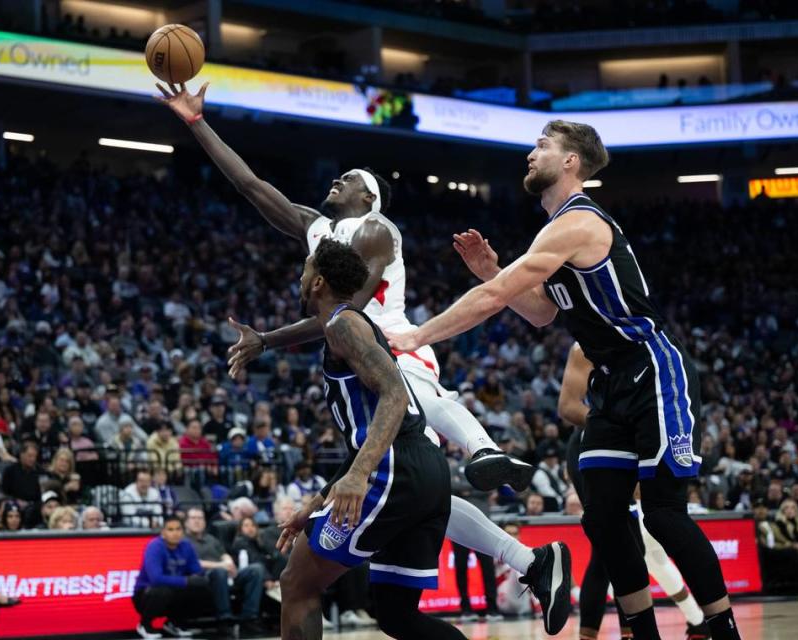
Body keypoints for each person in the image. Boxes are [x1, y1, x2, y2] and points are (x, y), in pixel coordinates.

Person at [156, 80, 570, 632]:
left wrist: (272, 339)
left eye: (348, 177)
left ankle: (484, 449)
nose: (337, 178)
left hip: (398, 344)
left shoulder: (375, 231)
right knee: (407, 566)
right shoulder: (320, 230)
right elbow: (252, 186)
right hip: (383, 394)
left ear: (368, 196)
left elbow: (349, 315)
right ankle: (526, 555)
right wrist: (195, 123)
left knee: (316, 563)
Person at [391, 120, 737, 639]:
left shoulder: (578, 222)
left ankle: (721, 626)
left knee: (663, 515)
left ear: (571, 161)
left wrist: (418, 335)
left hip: (653, 369)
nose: (531, 154)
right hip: (611, 383)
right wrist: (493, 271)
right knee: (601, 516)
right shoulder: (554, 230)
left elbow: (495, 300)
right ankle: (642, 631)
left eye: (542, 146)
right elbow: (541, 313)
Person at [263, 239, 462, 640]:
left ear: (318, 281)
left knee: (297, 583)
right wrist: (319, 502)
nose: (299, 280)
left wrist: (359, 476)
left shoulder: (342, 323)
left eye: (304, 271)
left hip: (394, 468)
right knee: (397, 617)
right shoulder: (346, 325)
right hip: (423, 469)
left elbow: (395, 394)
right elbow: (365, 440)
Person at [560, 341, 711, 639]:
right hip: (595, 445)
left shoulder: (651, 344)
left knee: (634, 547)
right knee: (613, 546)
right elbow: (567, 406)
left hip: (633, 445)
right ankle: (614, 632)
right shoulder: (585, 345)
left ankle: (660, 626)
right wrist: (615, 431)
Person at [183, 507, 264, 633]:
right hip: (203, 577)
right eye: (193, 518)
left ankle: (249, 618)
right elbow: (192, 563)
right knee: (219, 573)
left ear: (204, 522)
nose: (197, 521)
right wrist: (221, 566)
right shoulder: (183, 541)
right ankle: (225, 618)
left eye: (200, 518)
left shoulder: (211, 539)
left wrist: (229, 563)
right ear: (186, 522)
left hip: (226, 573)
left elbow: (224, 554)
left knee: (256, 569)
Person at [132, 516, 210, 639]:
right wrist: (185, 581)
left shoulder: (186, 546)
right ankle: (144, 624)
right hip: (145, 595)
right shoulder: (154, 546)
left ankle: (173, 623)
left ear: (183, 531)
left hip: (173, 590)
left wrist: (197, 578)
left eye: (178, 529)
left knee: (200, 586)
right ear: (163, 533)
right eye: (170, 529)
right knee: (163, 589)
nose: (175, 533)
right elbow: (156, 579)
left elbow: (197, 570)